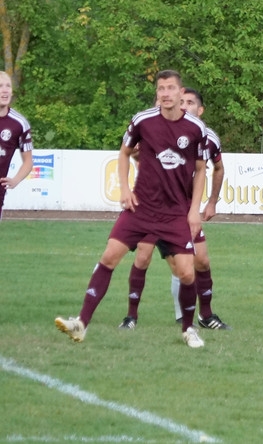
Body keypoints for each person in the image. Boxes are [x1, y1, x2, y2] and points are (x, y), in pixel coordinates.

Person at [55, 70, 210, 348]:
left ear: (180, 92)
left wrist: (194, 210)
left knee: (187, 273)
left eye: (170, 88)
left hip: (175, 213)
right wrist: (125, 189)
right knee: (109, 256)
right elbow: (125, 152)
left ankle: (189, 329)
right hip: (142, 208)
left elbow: (201, 170)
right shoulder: (143, 120)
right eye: (160, 88)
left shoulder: (196, 129)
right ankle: (81, 323)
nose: (165, 93)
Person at [118, 87, 230, 331]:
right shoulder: (156, 130)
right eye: (183, 101)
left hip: (182, 212)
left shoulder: (208, 138)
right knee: (143, 257)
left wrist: (211, 201)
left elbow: (216, 169)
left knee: (201, 261)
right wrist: (136, 157)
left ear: (200, 110)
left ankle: (205, 315)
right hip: (152, 208)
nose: (185, 106)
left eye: (190, 102)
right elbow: (140, 157)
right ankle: (131, 316)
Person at [0, 71, 33, 220]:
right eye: (0, 86)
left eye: (8, 86)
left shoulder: (19, 123)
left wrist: (15, 180)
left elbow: (28, 161)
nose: (5, 90)